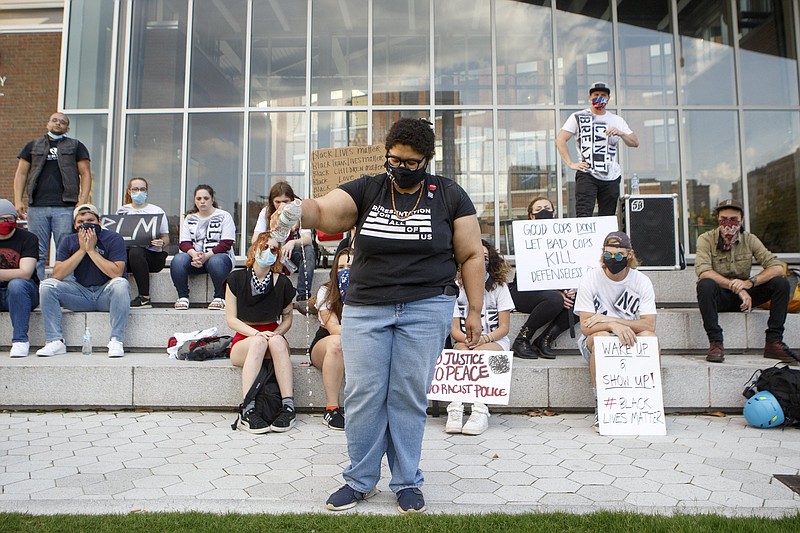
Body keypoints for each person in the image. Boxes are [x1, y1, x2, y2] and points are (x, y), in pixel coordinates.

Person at [280, 118, 484, 514]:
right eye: (394, 160)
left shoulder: (449, 195)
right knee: (363, 394)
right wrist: (295, 212)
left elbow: (472, 254)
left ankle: (407, 481)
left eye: (412, 162)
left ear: (427, 159)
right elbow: (324, 210)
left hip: (427, 306)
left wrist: (474, 309)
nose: (402, 168)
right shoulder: (368, 188)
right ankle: (360, 480)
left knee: (407, 394)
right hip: (367, 307)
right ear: (385, 155)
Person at [695, 199, 798, 364]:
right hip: (721, 296)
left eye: (733, 219)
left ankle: (773, 341)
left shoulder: (749, 239)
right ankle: (715, 342)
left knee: (781, 283)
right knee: (705, 285)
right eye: (723, 219)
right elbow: (703, 272)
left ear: (742, 220)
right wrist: (736, 287)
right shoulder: (706, 239)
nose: (728, 224)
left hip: (746, 297)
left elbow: (777, 267)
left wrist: (750, 283)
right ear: (718, 220)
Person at [573, 231, 657, 430]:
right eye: (609, 255)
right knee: (602, 337)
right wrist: (611, 326)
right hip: (595, 342)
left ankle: (648, 402)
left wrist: (611, 319)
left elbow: (648, 325)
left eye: (619, 255)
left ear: (629, 255)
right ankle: (601, 403)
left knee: (649, 337)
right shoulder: (590, 279)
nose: (613, 259)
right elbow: (586, 327)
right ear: (602, 254)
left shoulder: (641, 281)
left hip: (629, 340)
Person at [37, 204, 130, 357]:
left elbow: (116, 272)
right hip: (80, 294)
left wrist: (91, 251)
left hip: (105, 294)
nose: (86, 224)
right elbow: (57, 275)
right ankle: (55, 340)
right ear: (74, 225)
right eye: (81, 222)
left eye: (90, 220)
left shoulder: (113, 238)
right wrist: (81, 250)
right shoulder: (68, 241)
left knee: (121, 284)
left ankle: (116, 340)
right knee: (47, 286)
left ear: (99, 221)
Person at [225, 233, 296, 433]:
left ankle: (288, 407)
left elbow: (287, 319)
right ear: (255, 248)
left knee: (276, 342)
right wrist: (256, 334)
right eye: (264, 247)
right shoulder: (236, 278)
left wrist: (276, 333)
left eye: (273, 249)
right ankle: (248, 409)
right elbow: (231, 319)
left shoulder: (282, 283)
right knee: (258, 343)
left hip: (272, 337)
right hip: (246, 339)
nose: (268, 251)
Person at [13, 112, 92, 281]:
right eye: (54, 120)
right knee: (37, 251)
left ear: (67, 128)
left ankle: (67, 287)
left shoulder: (76, 146)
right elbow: (21, 173)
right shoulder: (32, 146)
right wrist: (18, 200)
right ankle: (35, 290)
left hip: (65, 206)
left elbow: (85, 173)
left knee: (66, 249)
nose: (58, 123)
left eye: (63, 122)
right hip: (37, 207)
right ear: (47, 124)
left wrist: (83, 199)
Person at [447, 239, 513, 436]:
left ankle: (480, 408)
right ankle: (456, 407)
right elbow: (454, 329)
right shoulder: (456, 288)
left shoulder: (499, 287)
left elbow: (504, 328)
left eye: (485, 258)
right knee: (459, 351)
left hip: (494, 340)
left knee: (481, 353)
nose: (480, 262)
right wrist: (468, 341)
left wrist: (483, 340)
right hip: (465, 340)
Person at [556, 82, 639, 217]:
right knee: (584, 215)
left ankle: (606, 239)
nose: (599, 98)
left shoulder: (617, 120)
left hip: (611, 175)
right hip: (587, 173)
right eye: (596, 95)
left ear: (608, 98)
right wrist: (571, 163)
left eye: (603, 95)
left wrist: (621, 133)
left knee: (608, 217)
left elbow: (635, 142)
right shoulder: (578, 116)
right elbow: (560, 139)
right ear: (590, 97)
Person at [510, 197, 577, 359]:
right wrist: (557, 292)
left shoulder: (565, 238)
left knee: (583, 299)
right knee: (555, 299)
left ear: (553, 214)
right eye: (539, 209)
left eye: (547, 208)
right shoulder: (525, 239)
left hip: (554, 290)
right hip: (525, 291)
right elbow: (531, 275)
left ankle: (545, 339)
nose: (544, 211)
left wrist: (570, 289)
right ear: (531, 216)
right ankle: (522, 339)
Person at [252, 182, 316, 310]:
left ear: (292, 201)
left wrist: (293, 242)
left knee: (308, 251)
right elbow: (255, 239)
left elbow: (307, 239)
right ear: (272, 202)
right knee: (260, 251)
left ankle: (303, 296)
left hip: (292, 253)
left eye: (285, 201)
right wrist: (272, 232)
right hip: (273, 251)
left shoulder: (299, 211)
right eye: (277, 202)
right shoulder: (266, 212)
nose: (281, 205)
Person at [170, 185, 235, 311]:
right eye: (199, 198)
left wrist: (206, 256)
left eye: (206, 198)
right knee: (178, 260)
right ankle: (183, 297)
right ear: (195, 200)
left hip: (218, 260)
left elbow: (226, 243)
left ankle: (220, 297)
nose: (202, 201)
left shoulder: (224, 216)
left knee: (216, 261)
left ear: (212, 199)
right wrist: (195, 255)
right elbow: (184, 243)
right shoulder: (189, 218)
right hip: (195, 261)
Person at [310, 247, 353, 431]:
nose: (345, 271)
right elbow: (334, 329)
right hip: (326, 343)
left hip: (358, 344)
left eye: (350, 266)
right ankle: (332, 408)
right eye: (341, 267)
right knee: (337, 342)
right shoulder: (326, 291)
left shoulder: (369, 290)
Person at [116, 177, 170, 308]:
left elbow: (166, 237)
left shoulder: (156, 211)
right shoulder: (122, 211)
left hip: (151, 256)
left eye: (142, 189)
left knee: (136, 251)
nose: (139, 192)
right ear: (129, 191)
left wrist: (161, 243)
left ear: (146, 192)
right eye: (135, 189)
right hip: (127, 257)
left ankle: (144, 297)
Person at [0, 199, 40, 358]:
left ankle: (20, 341)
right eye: (1, 219)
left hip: (24, 294)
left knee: (17, 284)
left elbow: (25, 273)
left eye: (10, 218)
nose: (6, 222)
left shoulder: (28, 238)